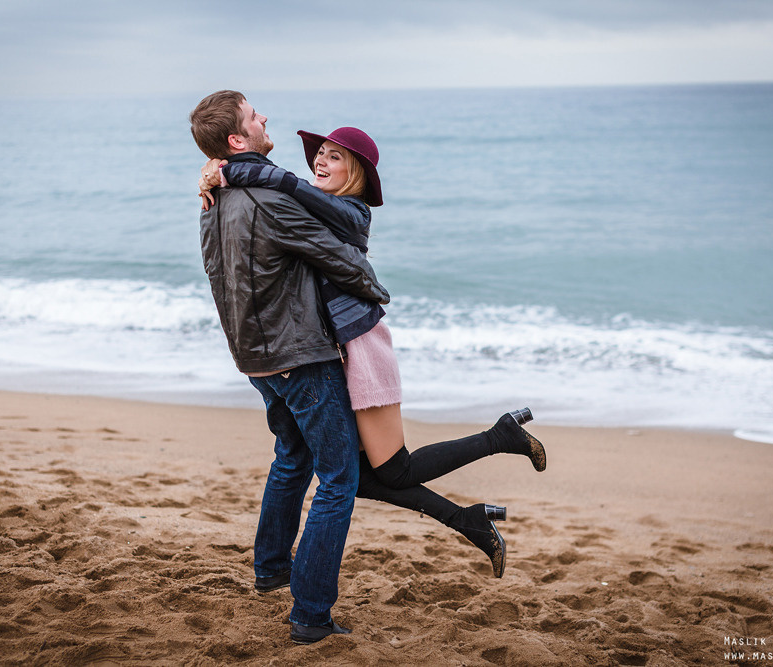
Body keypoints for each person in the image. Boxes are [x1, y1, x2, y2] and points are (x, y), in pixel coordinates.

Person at [198, 124, 548, 580]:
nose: (321, 162)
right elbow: (280, 196)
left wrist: (228, 171)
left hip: (362, 348)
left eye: (335, 157)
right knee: (355, 476)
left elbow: (283, 186)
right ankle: (468, 518)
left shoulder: (351, 212)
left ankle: (501, 439)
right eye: (320, 154)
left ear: (356, 172)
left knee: (391, 469)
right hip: (331, 354)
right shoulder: (313, 203)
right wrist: (217, 173)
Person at [190, 90, 390, 645]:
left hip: (255, 356)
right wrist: (377, 293)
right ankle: (310, 615)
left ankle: (272, 567)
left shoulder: (215, 197)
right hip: (298, 355)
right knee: (339, 478)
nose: (265, 118)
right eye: (255, 116)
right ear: (237, 139)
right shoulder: (262, 198)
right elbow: (337, 256)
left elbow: (215, 271)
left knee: (292, 455)